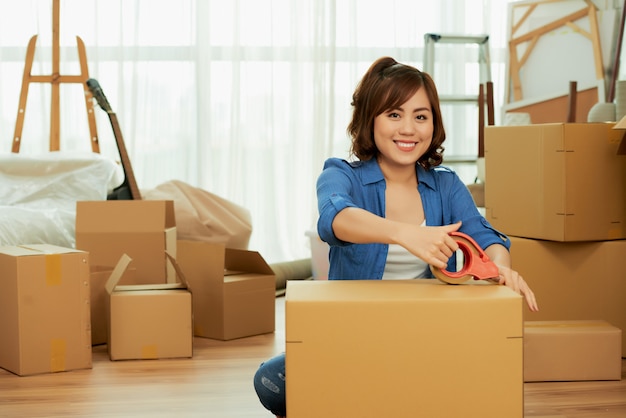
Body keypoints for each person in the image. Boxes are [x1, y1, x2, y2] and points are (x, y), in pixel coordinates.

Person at [253, 56, 539, 418]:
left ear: (433, 124)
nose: (409, 128)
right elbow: (335, 218)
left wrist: (500, 267)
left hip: (422, 334)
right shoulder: (342, 175)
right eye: (393, 114)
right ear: (370, 120)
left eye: (421, 116)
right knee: (270, 381)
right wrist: (405, 235)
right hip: (353, 333)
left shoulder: (446, 185)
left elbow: (484, 235)